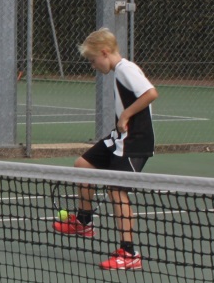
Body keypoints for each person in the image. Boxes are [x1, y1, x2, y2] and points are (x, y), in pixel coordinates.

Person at [53, 27, 158, 270]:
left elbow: (151, 93)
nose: (92, 66)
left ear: (104, 53)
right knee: (83, 166)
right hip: (120, 137)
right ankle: (84, 221)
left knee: (116, 190)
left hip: (135, 141)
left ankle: (129, 254)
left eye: (92, 61)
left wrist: (126, 116)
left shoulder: (126, 69)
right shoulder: (120, 71)